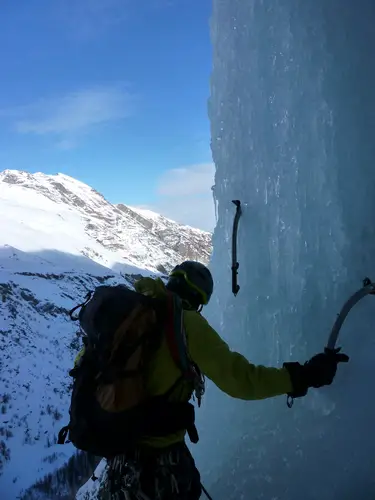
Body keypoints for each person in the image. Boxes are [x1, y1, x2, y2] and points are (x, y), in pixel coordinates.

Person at [103, 261, 349, 500]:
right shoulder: (185, 322)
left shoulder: (126, 321)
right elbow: (241, 380)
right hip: (158, 468)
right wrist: (303, 376)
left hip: (118, 462)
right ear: (197, 297)